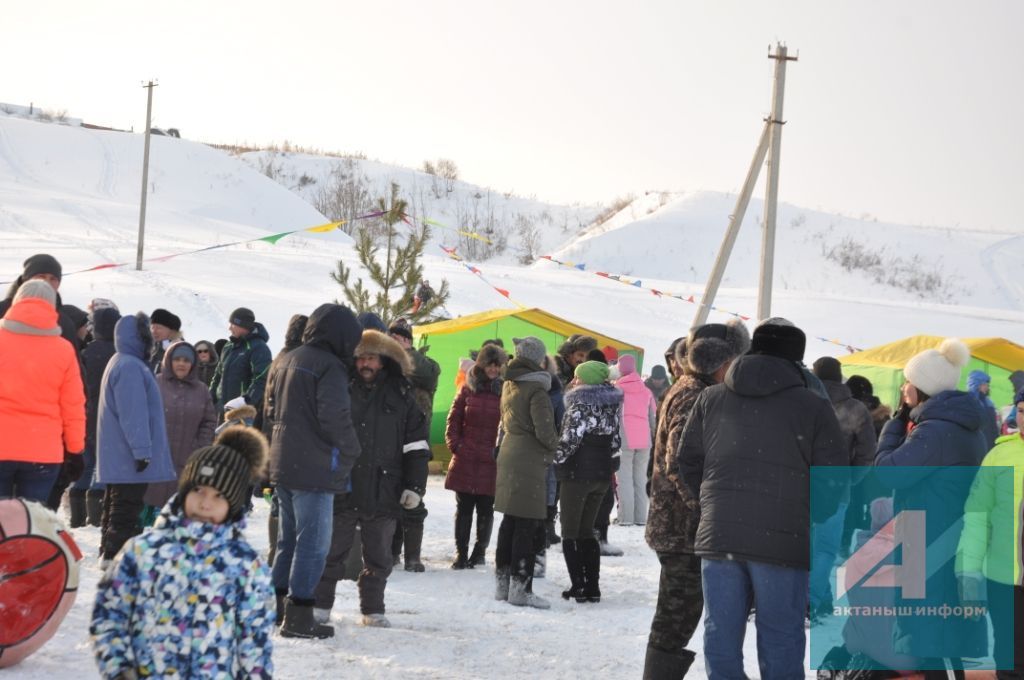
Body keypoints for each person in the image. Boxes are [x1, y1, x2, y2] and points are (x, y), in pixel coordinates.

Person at [680, 322, 846, 679]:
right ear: (797, 359)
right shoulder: (813, 406)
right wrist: (811, 514)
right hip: (784, 539)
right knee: (781, 636)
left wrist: (712, 503)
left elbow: (688, 461)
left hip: (720, 534)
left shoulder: (711, 397)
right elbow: (834, 478)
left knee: (720, 632)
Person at [90, 427, 274, 679]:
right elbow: (109, 614)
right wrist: (119, 669)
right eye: (198, 490)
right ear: (185, 490)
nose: (205, 503)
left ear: (233, 505)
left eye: (219, 496)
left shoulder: (245, 565)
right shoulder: (144, 551)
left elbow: (255, 641)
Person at [874, 338, 988, 675]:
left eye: (909, 381)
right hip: (946, 532)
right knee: (942, 628)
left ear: (921, 389)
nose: (904, 386)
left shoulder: (933, 433)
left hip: (925, 539)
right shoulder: (961, 426)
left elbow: (887, 473)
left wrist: (895, 422)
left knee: (923, 630)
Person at [643, 319, 749, 679]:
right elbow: (680, 464)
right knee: (675, 618)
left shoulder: (694, 388)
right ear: (723, 362)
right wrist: (709, 514)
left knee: (679, 615)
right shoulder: (694, 395)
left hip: (681, 527)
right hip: (682, 530)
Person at [313, 329, 430, 628]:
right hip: (342, 485)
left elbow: (416, 444)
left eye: (372, 358)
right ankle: (320, 606)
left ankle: (373, 609)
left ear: (384, 360)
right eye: (361, 357)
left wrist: (415, 486)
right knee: (330, 552)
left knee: (380, 557)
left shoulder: (402, 395)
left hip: (385, 488)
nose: (366, 363)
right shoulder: (338, 387)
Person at [264, 303, 362, 639]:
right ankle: (299, 616)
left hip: (284, 463)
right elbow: (334, 417)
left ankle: (276, 609)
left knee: (287, 541)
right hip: (315, 468)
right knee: (313, 545)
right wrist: (352, 449)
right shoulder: (329, 366)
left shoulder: (287, 358)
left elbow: (271, 410)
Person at [96, 313, 176, 564]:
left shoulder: (120, 361)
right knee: (127, 507)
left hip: (117, 451)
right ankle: (115, 557)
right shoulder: (131, 366)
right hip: (128, 453)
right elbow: (134, 414)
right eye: (146, 335)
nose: (150, 338)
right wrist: (142, 450)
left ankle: (108, 553)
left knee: (116, 503)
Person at [957, 388, 1024, 679]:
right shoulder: (999, 455)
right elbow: (977, 518)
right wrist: (968, 573)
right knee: (1011, 663)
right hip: (1004, 578)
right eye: (1022, 410)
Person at [0, 280, 85, 504]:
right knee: (32, 524)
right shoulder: (63, 349)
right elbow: (73, 406)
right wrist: (75, 449)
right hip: (43, 451)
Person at [494, 336, 560, 609]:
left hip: (509, 455)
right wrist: (558, 447)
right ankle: (522, 588)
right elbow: (546, 432)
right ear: (538, 358)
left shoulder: (510, 384)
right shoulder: (536, 390)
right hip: (529, 461)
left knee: (510, 522)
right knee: (527, 525)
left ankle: (503, 585)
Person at [809, 356, 876, 623]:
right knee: (825, 548)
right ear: (840, 377)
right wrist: (851, 478)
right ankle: (812, 601)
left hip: (803, 482)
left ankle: (817, 599)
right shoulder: (856, 408)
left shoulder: (804, 400)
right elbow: (867, 452)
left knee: (806, 546)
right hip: (838, 485)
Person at [556, 360, 623, 604]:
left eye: (578, 377)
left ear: (588, 380)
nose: (574, 382)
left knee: (570, 532)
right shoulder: (612, 406)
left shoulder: (579, 405)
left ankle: (578, 586)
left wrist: (554, 460)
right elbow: (616, 442)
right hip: (601, 476)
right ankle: (593, 586)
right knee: (588, 531)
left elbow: (569, 442)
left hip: (577, 475)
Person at [444, 342, 507, 569]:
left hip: (491, 460)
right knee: (463, 509)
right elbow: (453, 419)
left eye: (497, 365)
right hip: (466, 457)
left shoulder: (506, 391)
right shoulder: (468, 388)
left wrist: (500, 452)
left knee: (485, 508)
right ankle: (461, 553)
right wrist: (456, 446)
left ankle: (479, 552)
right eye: (489, 365)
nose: (493, 370)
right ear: (481, 365)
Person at [387, 319, 440, 572]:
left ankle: (413, 557)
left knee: (414, 498)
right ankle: (392, 553)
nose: (395, 342)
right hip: (389, 442)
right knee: (390, 499)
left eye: (400, 338)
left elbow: (428, 375)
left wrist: (404, 352)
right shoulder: (387, 364)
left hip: (416, 442)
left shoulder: (425, 365)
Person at [141, 342, 217, 519]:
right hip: (156, 460)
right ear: (169, 361)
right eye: (177, 359)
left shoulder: (201, 390)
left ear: (192, 364)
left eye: (186, 360)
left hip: (187, 461)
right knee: (150, 519)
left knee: (179, 517)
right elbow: (143, 416)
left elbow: (209, 421)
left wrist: (200, 446)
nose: (181, 364)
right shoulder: (155, 383)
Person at [69, 305, 121, 528]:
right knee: (103, 465)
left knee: (86, 464)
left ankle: (77, 516)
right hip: (108, 418)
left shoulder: (85, 353)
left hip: (84, 416)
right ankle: (96, 515)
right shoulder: (119, 357)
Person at [0, 253, 82, 347]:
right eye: (41, 276)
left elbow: (73, 359)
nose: (46, 282)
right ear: (26, 279)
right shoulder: (2, 311)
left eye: (53, 279)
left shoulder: (64, 321)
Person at [614, 354, 656, 526]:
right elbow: (652, 417)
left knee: (624, 479)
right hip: (645, 440)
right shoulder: (647, 391)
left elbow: (614, 416)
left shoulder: (617, 390)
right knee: (640, 479)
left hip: (625, 439)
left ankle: (626, 518)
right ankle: (640, 518)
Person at [209, 307, 272, 417]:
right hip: (221, 409)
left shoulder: (259, 348)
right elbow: (218, 374)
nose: (229, 328)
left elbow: (261, 379)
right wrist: (211, 396)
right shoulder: (228, 346)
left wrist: (245, 401)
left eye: (233, 324)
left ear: (243, 326)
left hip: (243, 413)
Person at [967, 369, 1001, 449]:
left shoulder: (988, 402)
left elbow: (993, 425)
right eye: (984, 384)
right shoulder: (969, 401)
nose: (987, 387)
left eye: (987, 385)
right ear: (976, 384)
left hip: (991, 441)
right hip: (977, 444)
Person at [148, 308, 183, 374]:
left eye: (158, 328)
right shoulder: (151, 348)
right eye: (152, 327)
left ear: (171, 330)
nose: (154, 331)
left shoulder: (180, 351)